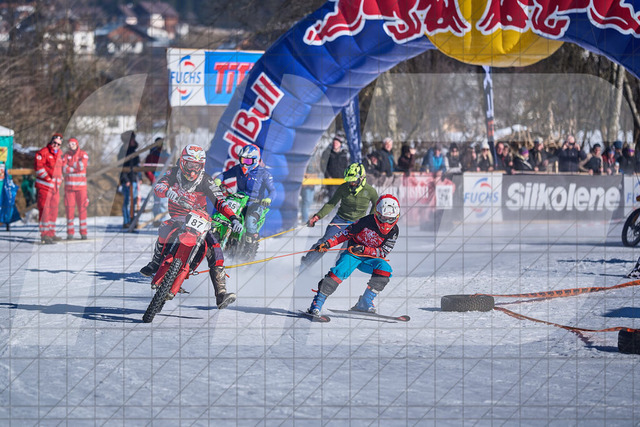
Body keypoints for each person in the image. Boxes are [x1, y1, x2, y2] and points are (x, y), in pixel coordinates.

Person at [139, 144, 243, 309]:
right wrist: (166, 191)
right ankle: (155, 262)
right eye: (190, 164)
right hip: (178, 216)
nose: (193, 169)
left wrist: (234, 218)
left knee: (215, 248)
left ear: (202, 165)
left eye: (197, 165)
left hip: (199, 218)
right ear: (182, 162)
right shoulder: (173, 173)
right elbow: (158, 186)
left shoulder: (206, 180)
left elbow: (220, 201)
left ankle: (221, 293)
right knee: (165, 228)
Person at [306, 194, 400, 316]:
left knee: (385, 269)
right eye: (383, 218)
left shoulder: (394, 231)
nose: (386, 222)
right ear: (377, 214)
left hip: (370, 259)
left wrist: (364, 249)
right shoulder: (365, 221)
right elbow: (345, 233)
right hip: (352, 255)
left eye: (390, 219)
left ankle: (365, 301)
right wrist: (328, 243)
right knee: (338, 272)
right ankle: (317, 303)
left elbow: (383, 252)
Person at [300, 163, 378, 271]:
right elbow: (331, 204)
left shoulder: (370, 191)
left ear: (361, 178)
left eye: (354, 181)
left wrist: (369, 220)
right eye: (349, 181)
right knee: (324, 242)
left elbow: (376, 205)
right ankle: (304, 266)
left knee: (347, 250)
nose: (351, 184)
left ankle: (336, 272)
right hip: (340, 220)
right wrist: (317, 217)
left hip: (357, 224)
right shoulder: (343, 188)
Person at [215, 144, 276, 243]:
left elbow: (272, 191)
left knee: (250, 222)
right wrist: (218, 180)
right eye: (242, 160)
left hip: (255, 204)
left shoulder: (264, 174)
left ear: (255, 160)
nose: (244, 164)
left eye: (247, 161)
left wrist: (268, 199)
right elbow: (224, 175)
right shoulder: (238, 169)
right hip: (238, 202)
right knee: (223, 213)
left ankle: (249, 247)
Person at [34, 133, 64, 244]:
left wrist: (60, 179)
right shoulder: (43, 152)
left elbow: (60, 170)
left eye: (58, 144)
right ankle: (44, 235)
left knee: (53, 210)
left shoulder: (59, 154)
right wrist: (48, 179)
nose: (56, 145)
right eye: (54, 143)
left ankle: (51, 233)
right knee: (45, 210)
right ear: (51, 141)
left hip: (55, 188)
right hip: (44, 187)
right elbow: (39, 168)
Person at [62, 137, 89, 240]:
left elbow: (82, 166)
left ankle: (83, 232)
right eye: (69, 144)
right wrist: (74, 167)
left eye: (73, 144)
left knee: (82, 210)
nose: (71, 146)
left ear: (76, 144)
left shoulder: (83, 154)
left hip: (81, 188)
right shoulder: (66, 155)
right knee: (69, 210)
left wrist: (70, 165)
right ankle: (70, 233)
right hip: (69, 188)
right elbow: (64, 168)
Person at [144, 138, 170, 226]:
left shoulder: (166, 155)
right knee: (157, 202)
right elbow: (147, 169)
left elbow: (170, 168)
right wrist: (152, 179)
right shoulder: (151, 156)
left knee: (163, 201)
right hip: (156, 180)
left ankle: (162, 219)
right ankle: (156, 219)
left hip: (164, 181)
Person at [118, 130, 140, 228]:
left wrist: (139, 177)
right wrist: (125, 179)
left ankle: (133, 219)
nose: (134, 141)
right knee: (127, 201)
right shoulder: (122, 152)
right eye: (132, 139)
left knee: (134, 201)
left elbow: (137, 166)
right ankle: (126, 221)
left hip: (134, 179)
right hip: (126, 180)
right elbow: (121, 168)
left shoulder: (134, 152)